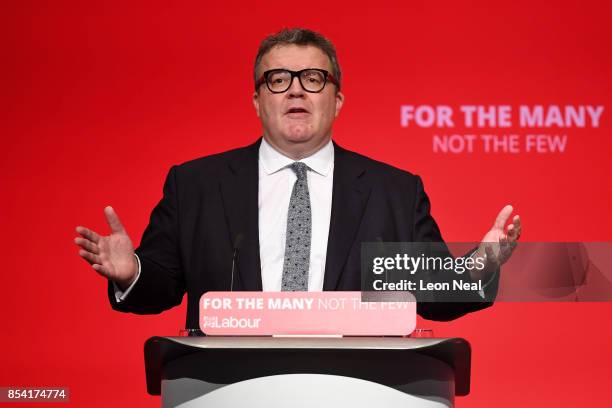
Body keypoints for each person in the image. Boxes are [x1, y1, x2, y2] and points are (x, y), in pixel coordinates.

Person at [74, 28, 521, 329]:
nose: (294, 89)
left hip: (359, 386)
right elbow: (162, 286)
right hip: (230, 386)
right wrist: (132, 271)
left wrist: (479, 267)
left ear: (338, 100)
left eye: (312, 78)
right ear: (256, 100)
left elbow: (432, 294)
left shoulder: (394, 191)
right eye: (277, 79)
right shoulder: (195, 185)